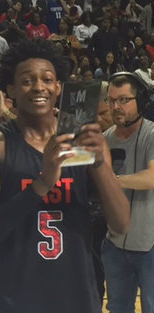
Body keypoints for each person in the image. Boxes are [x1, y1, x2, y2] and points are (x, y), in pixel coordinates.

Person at [0, 38, 130, 313]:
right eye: (28, 80)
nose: (39, 86)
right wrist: (42, 183)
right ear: (11, 89)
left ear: (58, 87)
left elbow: (122, 224)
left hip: (79, 294)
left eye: (47, 79)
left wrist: (99, 161)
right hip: (19, 296)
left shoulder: (85, 141)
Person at [102, 72, 154, 313]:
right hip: (114, 245)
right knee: (118, 308)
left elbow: (151, 177)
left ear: (140, 102)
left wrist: (112, 180)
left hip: (150, 245)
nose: (116, 106)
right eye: (112, 100)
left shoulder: (151, 135)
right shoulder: (105, 139)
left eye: (123, 100)